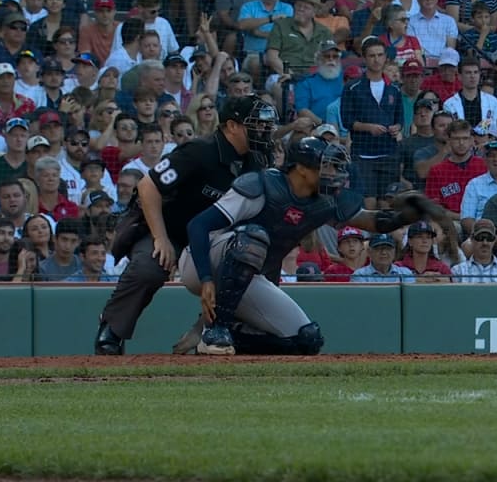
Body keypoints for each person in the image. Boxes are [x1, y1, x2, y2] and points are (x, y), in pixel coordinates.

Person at [182, 138, 435, 354]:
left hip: (247, 275)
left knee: (307, 340)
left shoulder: (325, 200)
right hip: (200, 260)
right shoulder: (262, 185)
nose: (333, 174)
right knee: (253, 237)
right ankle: (215, 330)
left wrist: (408, 215)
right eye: (326, 167)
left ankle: (227, 334)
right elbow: (198, 226)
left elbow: (374, 222)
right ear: (302, 169)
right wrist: (205, 279)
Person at [93, 95, 277, 355]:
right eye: (256, 124)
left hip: (215, 237)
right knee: (150, 267)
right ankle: (112, 329)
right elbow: (147, 186)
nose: (264, 131)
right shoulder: (200, 151)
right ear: (232, 126)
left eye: (266, 125)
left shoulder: (258, 161)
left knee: (250, 263)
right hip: (169, 229)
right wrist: (160, 238)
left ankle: (207, 331)